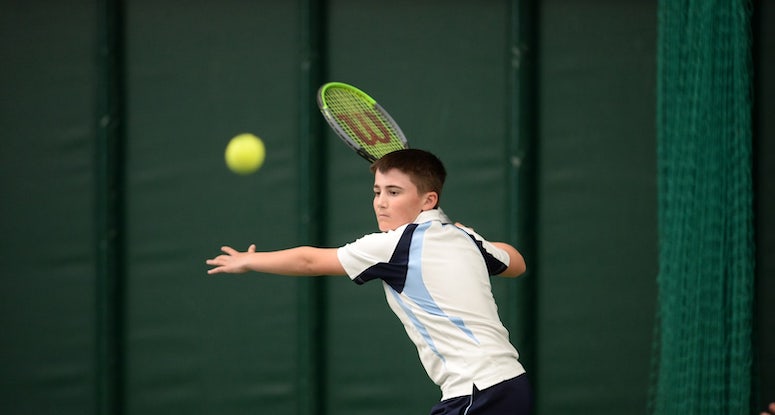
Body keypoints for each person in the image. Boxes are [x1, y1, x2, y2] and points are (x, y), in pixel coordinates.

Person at [206, 149, 532, 414]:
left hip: (478, 393)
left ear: (428, 200)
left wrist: (249, 260)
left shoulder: (393, 244)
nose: (381, 202)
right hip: (510, 384)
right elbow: (516, 263)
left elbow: (309, 260)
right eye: (377, 192)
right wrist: (476, 238)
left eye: (394, 192)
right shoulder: (463, 237)